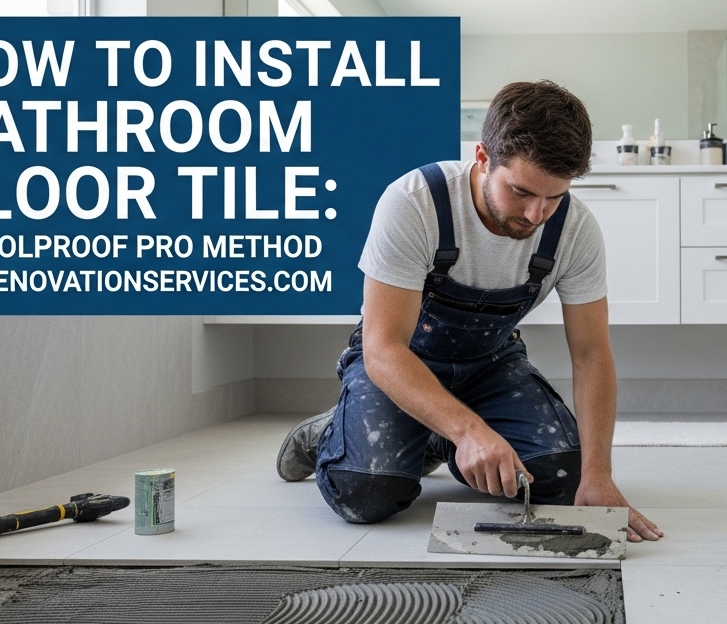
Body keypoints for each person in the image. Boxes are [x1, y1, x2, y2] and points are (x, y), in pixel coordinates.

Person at [275, 80, 662, 543]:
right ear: (482, 158)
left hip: (491, 366)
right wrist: (470, 431)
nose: (537, 214)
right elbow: (382, 348)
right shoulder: (415, 203)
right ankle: (327, 434)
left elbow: (592, 354)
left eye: (554, 197)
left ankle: (434, 435)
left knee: (561, 477)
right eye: (521, 191)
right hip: (402, 361)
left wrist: (597, 474)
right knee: (366, 493)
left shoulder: (574, 229)